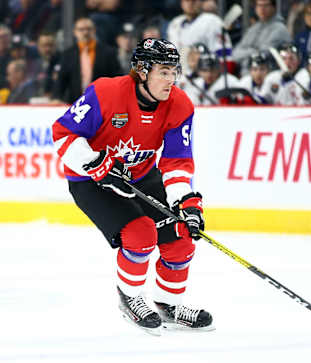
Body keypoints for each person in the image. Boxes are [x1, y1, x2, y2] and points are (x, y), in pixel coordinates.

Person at [51, 38, 213, 334]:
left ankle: (168, 304)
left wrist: (186, 201)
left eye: (174, 71)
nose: (171, 79)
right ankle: (131, 298)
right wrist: (96, 163)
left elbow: (176, 162)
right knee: (140, 235)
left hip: (140, 174)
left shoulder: (179, 105)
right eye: (163, 71)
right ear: (142, 71)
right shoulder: (106, 93)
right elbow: (63, 133)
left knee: (180, 238)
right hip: (90, 180)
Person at [52, 17, 122, 104]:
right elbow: (61, 79)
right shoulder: (68, 54)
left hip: (102, 103)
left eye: (88, 29)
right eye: (81, 30)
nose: (85, 32)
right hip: (75, 104)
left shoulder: (108, 52)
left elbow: (116, 77)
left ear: (94, 30)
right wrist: (56, 97)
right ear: (75, 32)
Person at [167, 0, 233, 76]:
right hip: (178, 79)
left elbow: (225, 59)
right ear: (181, 3)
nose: (190, 3)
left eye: (194, 0)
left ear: (201, 2)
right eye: (186, 1)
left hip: (204, 79)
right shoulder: (174, 24)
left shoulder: (212, 21)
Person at [232, 0, 291, 75]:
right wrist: (253, 50)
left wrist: (247, 52)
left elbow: (262, 54)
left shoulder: (280, 29)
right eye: (259, 5)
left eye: (265, 5)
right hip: (247, 76)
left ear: (274, 7)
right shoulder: (254, 28)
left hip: (271, 77)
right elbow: (235, 54)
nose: (262, 9)